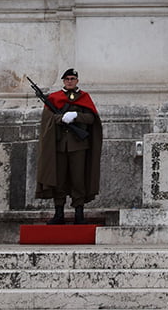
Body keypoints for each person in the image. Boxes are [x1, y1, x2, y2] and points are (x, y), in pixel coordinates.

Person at [35, 68, 102, 225]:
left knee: (78, 180)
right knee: (59, 179)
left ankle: (79, 214)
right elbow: (48, 120)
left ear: (77, 80)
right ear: (63, 81)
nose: (70, 81)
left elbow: (91, 118)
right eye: (67, 79)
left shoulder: (84, 97)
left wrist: (76, 116)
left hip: (78, 146)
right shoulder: (54, 98)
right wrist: (60, 119)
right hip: (59, 146)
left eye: (72, 78)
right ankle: (59, 214)